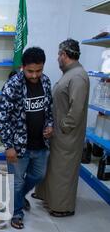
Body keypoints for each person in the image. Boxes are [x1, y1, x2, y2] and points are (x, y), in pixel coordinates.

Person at [0, 47, 53, 229]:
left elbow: (49, 109)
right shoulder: (12, 86)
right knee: (17, 181)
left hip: (40, 144)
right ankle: (17, 213)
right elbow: (3, 118)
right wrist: (8, 146)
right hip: (19, 146)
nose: (35, 75)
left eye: (39, 70)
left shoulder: (45, 82)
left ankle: (18, 198)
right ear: (23, 67)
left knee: (39, 175)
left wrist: (50, 125)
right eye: (31, 71)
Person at [35, 39, 90, 217]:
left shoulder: (78, 76)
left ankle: (63, 207)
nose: (58, 58)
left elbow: (77, 108)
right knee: (53, 168)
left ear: (64, 55)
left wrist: (63, 127)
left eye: (59, 55)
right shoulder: (69, 74)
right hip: (58, 133)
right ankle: (47, 197)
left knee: (63, 171)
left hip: (67, 135)